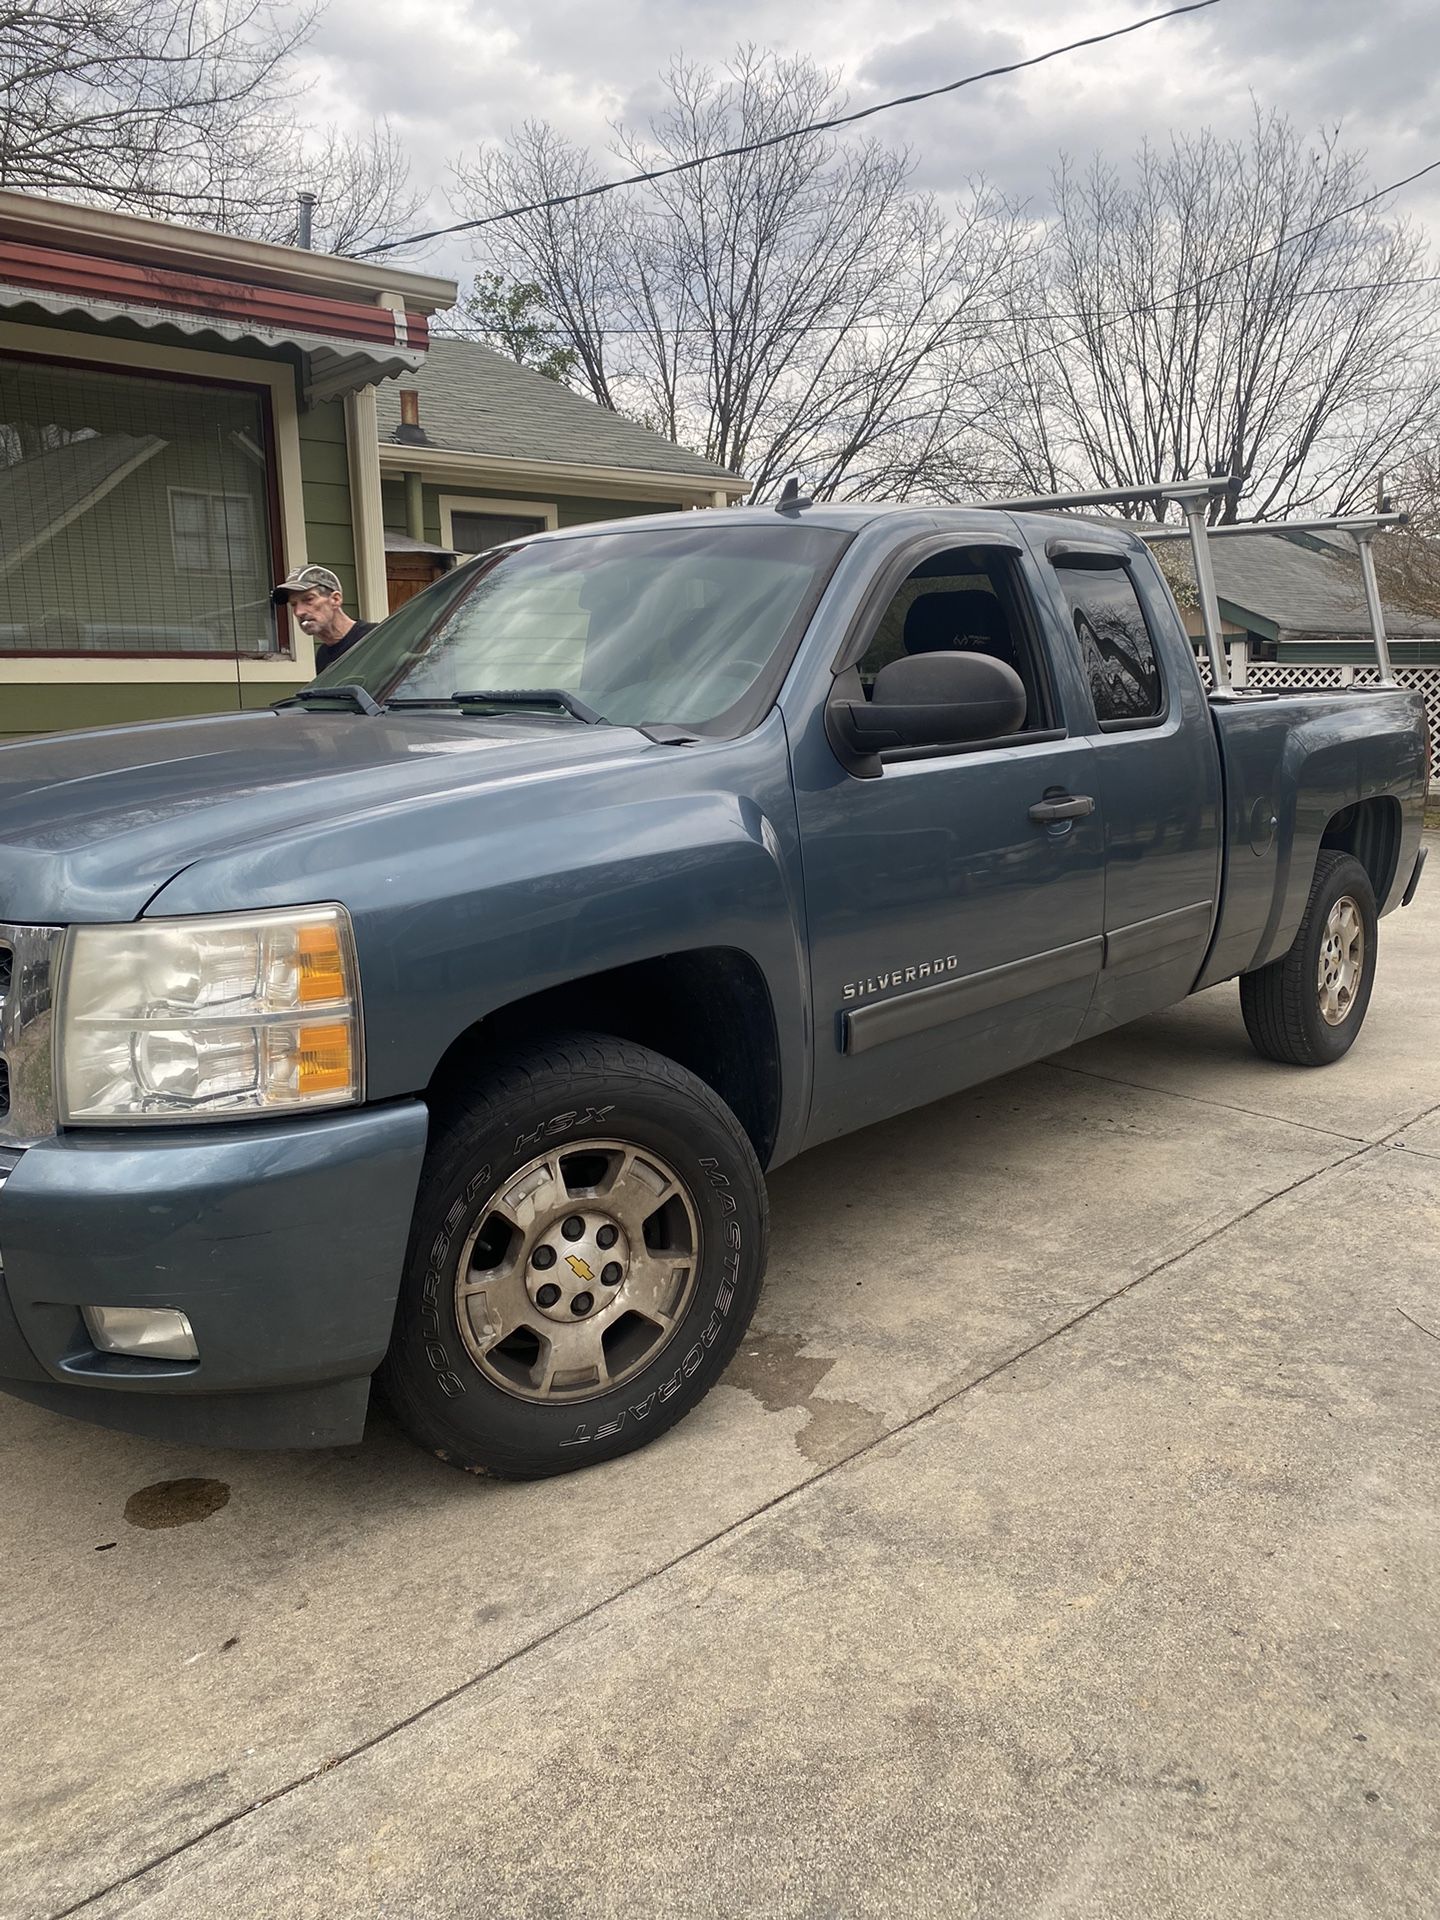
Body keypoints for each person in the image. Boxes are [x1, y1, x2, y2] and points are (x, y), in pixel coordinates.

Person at [272, 564, 377, 674]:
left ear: (335, 600)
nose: (299, 612)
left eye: (308, 599)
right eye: (293, 604)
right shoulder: (322, 656)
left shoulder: (375, 637)